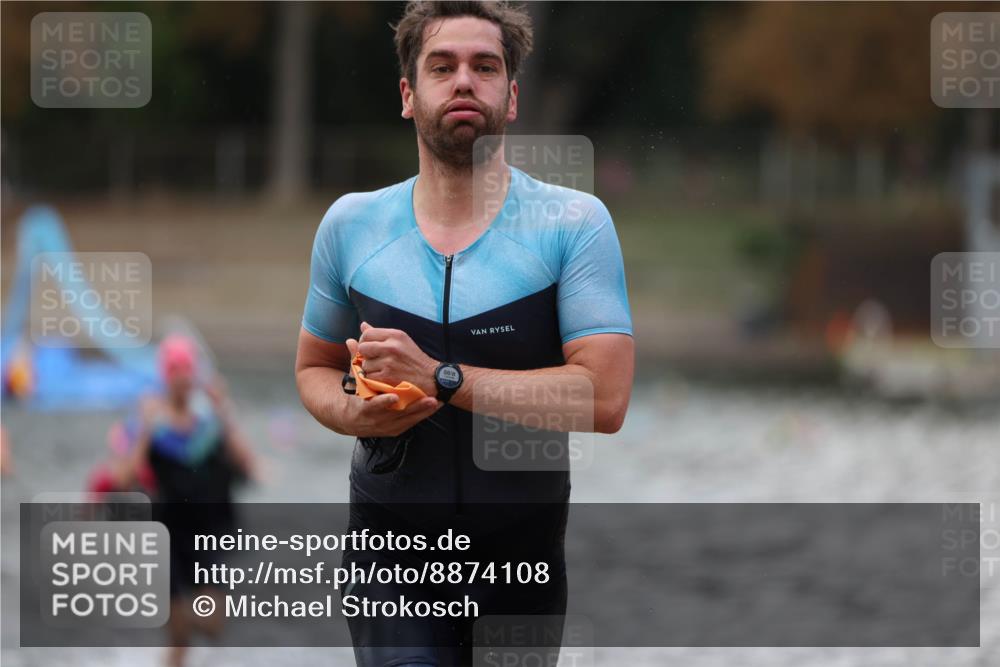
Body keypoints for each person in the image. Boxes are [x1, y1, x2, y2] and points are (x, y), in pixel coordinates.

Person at [295, 2, 634, 665]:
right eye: (441, 66)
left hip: (521, 565)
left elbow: (605, 398)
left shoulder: (573, 224)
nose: (463, 82)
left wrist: (442, 379)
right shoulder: (351, 226)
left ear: (512, 96)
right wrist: (352, 411)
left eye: (485, 66)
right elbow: (313, 369)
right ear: (407, 94)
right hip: (390, 562)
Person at [118, 334, 257, 667]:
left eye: (186, 370)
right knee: (178, 641)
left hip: (208, 533)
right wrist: (144, 430)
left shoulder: (209, 423)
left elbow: (247, 465)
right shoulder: (153, 426)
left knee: (210, 624)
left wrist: (224, 412)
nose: (181, 378)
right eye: (174, 371)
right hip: (167, 536)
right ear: (165, 377)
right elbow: (122, 479)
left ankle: (183, 621)